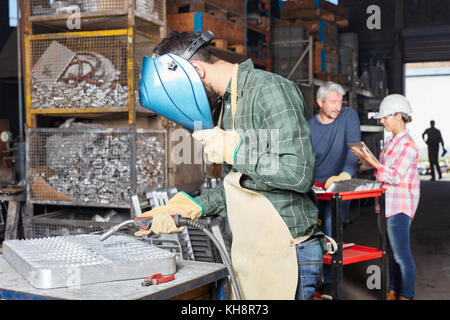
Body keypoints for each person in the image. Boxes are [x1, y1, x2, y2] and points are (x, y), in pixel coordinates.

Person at [137, 31, 327, 300]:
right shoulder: (227, 106)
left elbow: (299, 174)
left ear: (197, 71)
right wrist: (190, 206)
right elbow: (235, 185)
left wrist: (235, 150)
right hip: (251, 252)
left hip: (287, 252)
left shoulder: (270, 90)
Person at [352, 94, 420, 300]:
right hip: (385, 204)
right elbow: (383, 171)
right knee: (390, 254)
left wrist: (372, 162)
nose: (382, 121)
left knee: (402, 256)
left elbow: (394, 176)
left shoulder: (407, 144)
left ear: (399, 116)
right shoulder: (390, 141)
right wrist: (366, 161)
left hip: (399, 207)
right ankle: (392, 290)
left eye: (385, 117)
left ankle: (406, 295)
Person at [308, 81, 361, 297]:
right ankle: (311, 279)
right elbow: (306, 159)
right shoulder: (309, 127)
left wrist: (346, 174)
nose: (337, 107)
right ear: (319, 102)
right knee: (310, 233)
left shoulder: (348, 117)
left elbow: (354, 147)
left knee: (331, 229)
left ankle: (330, 282)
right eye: (332, 102)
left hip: (339, 185)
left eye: (340, 102)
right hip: (314, 187)